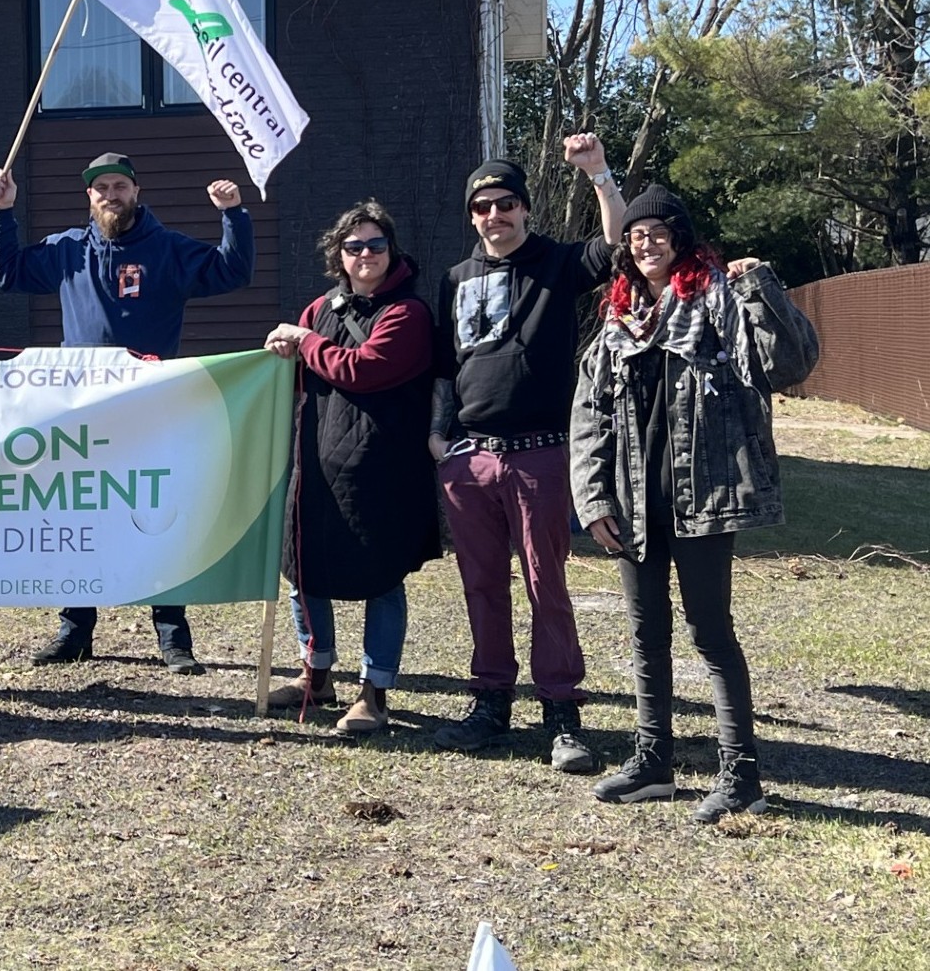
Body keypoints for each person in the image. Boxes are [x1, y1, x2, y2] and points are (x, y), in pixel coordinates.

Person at [571, 186, 818, 822]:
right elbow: (590, 413)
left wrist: (761, 284)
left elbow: (787, 364)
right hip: (633, 497)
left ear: (680, 238)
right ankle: (653, 761)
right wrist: (594, 497)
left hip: (701, 496)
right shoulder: (618, 317)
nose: (644, 244)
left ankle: (742, 776)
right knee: (644, 633)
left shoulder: (719, 298)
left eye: (656, 233)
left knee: (710, 633)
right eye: (634, 236)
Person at [0, 151, 254, 674]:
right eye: (100, 188)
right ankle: (75, 630)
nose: (110, 195)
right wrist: (2, 213)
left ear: (136, 192)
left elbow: (231, 271)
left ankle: (173, 637)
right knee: (78, 515)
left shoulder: (168, 249)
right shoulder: (68, 250)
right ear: (89, 197)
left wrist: (233, 215)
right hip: (81, 409)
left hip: (152, 408)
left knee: (157, 514)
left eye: (119, 186)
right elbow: (7, 274)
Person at [429, 135, 626, 772]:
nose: (495, 215)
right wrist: (441, 441)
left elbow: (618, 246)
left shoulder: (556, 264)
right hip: (470, 461)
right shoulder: (456, 280)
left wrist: (598, 173)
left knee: (548, 586)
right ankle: (490, 703)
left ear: (525, 209)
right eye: (483, 206)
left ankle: (562, 715)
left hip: (541, 456)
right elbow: (442, 368)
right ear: (472, 215)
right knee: (482, 585)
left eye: (507, 203)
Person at [263, 201, 439, 732]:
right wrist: (282, 353)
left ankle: (374, 691)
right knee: (305, 567)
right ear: (338, 254)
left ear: (392, 250)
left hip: (382, 468)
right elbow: (303, 375)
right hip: (315, 461)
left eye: (376, 245)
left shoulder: (408, 313)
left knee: (381, 579)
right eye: (354, 246)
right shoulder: (321, 308)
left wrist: (305, 342)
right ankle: (315, 675)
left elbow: (362, 369)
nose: (365, 255)